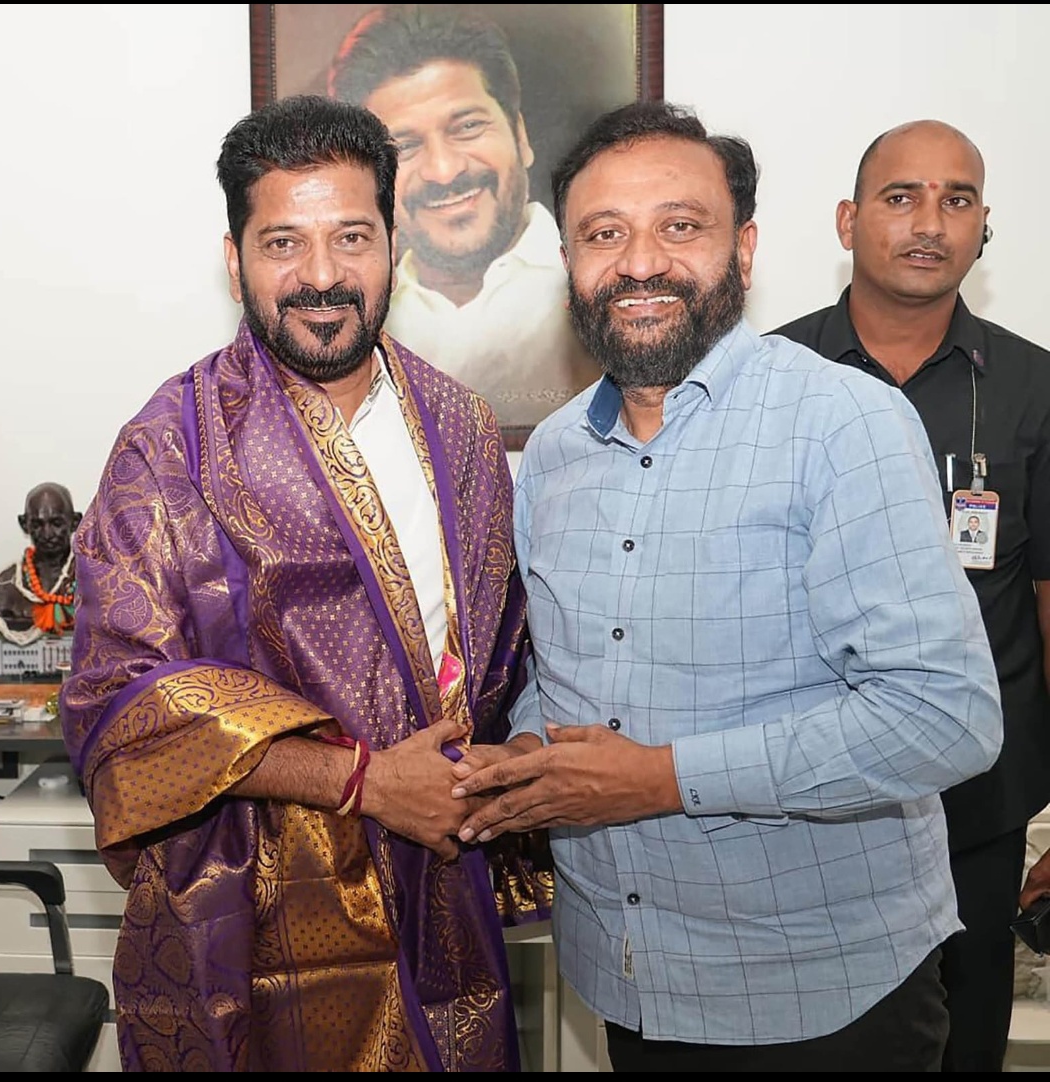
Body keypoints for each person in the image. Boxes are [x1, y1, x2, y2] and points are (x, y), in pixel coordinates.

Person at [448, 100, 1004, 1072]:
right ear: (568, 262)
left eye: (680, 225)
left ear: (743, 249)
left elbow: (944, 716)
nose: (640, 262)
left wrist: (660, 778)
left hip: (825, 999)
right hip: (627, 974)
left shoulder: (845, 423)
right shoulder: (555, 456)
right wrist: (531, 753)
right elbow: (560, 668)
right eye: (603, 234)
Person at [59, 95, 550, 1073]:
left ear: (394, 243)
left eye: (351, 237)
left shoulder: (458, 423)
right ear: (233, 256)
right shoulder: (171, 445)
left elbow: (501, 649)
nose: (321, 276)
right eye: (283, 242)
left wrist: (509, 757)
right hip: (253, 904)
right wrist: (364, 781)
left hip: (439, 882)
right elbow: (118, 697)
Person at [772, 118, 1050, 1072]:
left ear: (984, 227)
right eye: (901, 197)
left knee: (964, 1045)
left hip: (977, 804)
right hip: (800, 800)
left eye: (956, 200)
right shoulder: (765, 379)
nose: (930, 222)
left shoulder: (1034, 388)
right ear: (848, 221)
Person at [327, 3, 599, 433]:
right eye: (405, 146)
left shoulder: (605, 290)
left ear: (521, 137)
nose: (444, 170)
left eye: (468, 126)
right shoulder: (351, 323)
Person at [0, 482, 81, 644]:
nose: (47, 534)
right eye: (37, 525)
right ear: (24, 524)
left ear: (75, 522)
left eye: (56, 523)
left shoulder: (99, 583)